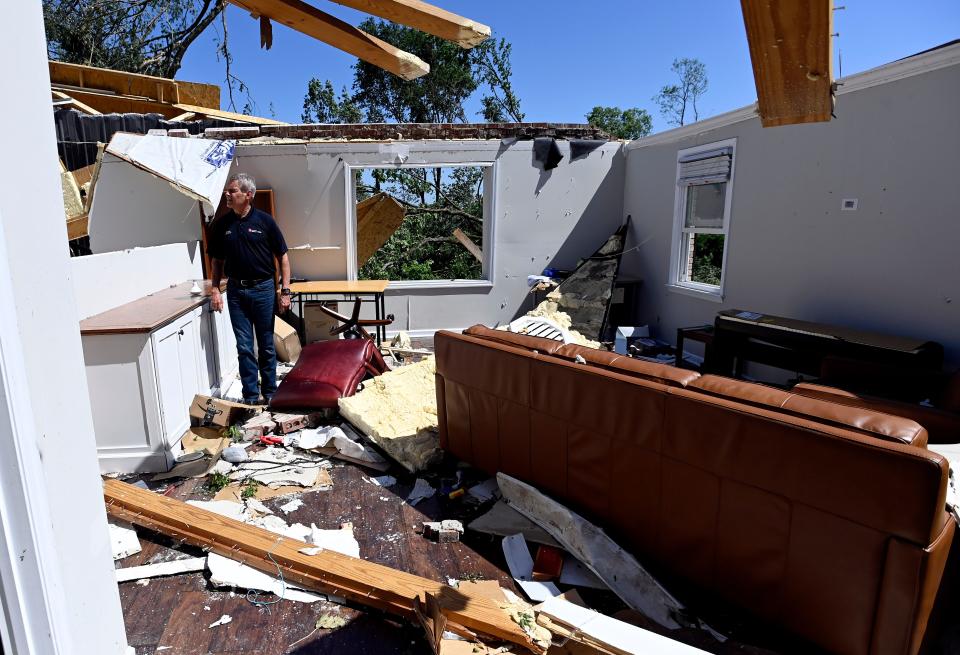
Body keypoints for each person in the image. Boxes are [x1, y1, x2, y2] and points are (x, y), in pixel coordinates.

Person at [208, 173, 291, 405]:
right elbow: (216, 261)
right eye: (228, 191)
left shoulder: (265, 222)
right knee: (244, 346)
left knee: (265, 344)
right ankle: (251, 396)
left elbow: (283, 256)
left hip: (263, 289)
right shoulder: (222, 225)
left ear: (248, 195)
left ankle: (271, 393)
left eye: (233, 191)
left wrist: (285, 291)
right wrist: (215, 289)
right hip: (236, 292)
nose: (228, 194)